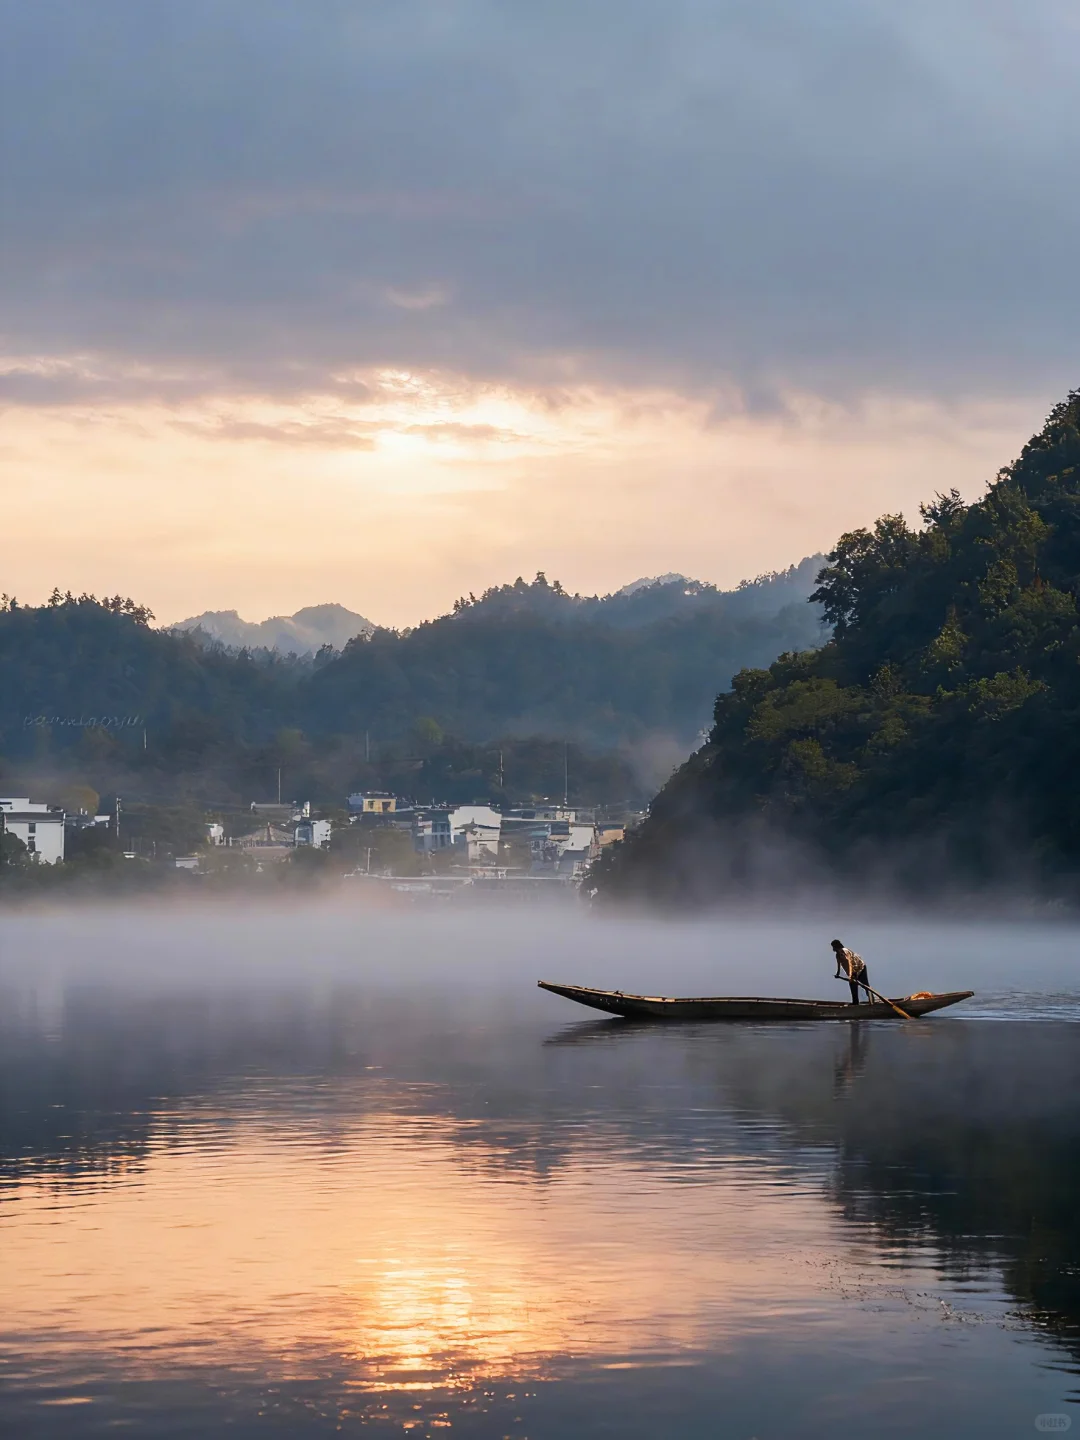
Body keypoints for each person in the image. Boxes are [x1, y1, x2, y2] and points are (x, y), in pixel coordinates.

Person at [831, 939, 869, 1005]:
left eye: (833, 946)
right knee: (853, 985)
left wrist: (850, 975)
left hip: (859, 967)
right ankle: (855, 1002)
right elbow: (839, 964)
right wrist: (838, 973)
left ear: (836, 946)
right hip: (854, 970)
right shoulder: (837, 955)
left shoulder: (843, 951)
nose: (833, 948)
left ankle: (871, 999)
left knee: (865, 984)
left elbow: (849, 963)